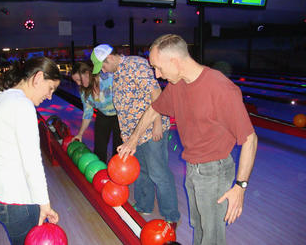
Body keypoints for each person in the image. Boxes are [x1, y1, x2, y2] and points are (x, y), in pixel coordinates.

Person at [117, 34, 258, 245]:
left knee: (212, 235)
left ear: (174, 61)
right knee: (199, 225)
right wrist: (132, 140)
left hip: (214, 170)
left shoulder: (220, 88)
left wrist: (240, 186)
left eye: (158, 68)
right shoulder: (177, 85)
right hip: (193, 167)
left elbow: (250, 139)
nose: (158, 74)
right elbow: (154, 109)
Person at [91, 44, 180, 227]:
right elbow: (126, 106)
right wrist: (126, 135)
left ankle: (171, 215)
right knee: (142, 172)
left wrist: (157, 124)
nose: (104, 71)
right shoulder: (117, 74)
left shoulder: (135, 65)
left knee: (158, 173)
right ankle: (144, 204)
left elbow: (156, 94)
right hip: (134, 136)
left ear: (108, 59)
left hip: (150, 131)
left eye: (104, 67)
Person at [0, 56, 61, 245]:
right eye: (51, 89)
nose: (50, 96)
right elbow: (32, 162)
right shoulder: (22, 106)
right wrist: (45, 205)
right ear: (38, 77)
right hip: (13, 199)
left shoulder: (1, 96)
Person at [70, 61, 122, 163]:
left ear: (87, 73)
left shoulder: (108, 79)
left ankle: (116, 174)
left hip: (119, 116)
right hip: (103, 115)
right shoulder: (84, 91)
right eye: (75, 81)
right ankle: (99, 171)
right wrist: (80, 134)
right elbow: (88, 113)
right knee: (99, 148)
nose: (78, 83)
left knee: (118, 148)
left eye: (78, 80)